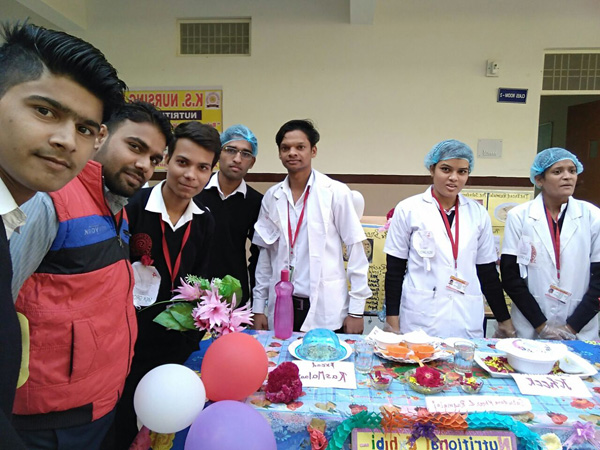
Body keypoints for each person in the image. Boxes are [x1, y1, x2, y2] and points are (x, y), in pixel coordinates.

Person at [9, 100, 172, 449]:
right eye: (135, 147)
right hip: (49, 422)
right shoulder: (49, 201)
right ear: (101, 137)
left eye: (154, 158)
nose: (144, 165)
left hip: (100, 405)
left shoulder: (116, 208)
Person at [0, 22, 126, 448]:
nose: (65, 140)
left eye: (84, 128)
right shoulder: (49, 206)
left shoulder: (13, 215)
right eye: (45, 111)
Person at [115, 121, 220, 449]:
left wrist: (190, 339)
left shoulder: (204, 220)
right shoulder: (132, 207)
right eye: (183, 162)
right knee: (121, 424)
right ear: (166, 160)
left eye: (202, 168)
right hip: (128, 342)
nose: (191, 175)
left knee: (165, 432)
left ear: (211, 172)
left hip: (176, 344)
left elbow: (200, 282)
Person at [384, 139, 515, 339]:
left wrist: (504, 320)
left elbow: (487, 272)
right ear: (432, 169)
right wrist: (392, 322)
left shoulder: (478, 213)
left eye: (462, 171)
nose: (454, 178)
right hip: (421, 315)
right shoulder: (409, 209)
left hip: (466, 315)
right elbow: (395, 270)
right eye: (446, 169)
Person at [252, 119, 371, 334]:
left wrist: (356, 311)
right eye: (285, 148)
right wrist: (259, 307)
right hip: (283, 304)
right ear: (279, 153)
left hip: (325, 306)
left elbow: (356, 250)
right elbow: (265, 256)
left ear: (313, 151)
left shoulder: (335, 192)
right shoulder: (272, 197)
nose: (292, 153)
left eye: (300, 147)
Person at [501, 148, 600, 340]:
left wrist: (571, 328)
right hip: (530, 327)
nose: (567, 177)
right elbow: (510, 276)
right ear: (539, 180)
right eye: (557, 171)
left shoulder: (593, 216)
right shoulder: (519, 216)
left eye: (572, 171)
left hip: (580, 328)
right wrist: (541, 326)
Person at [197, 124, 263, 306]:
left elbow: (259, 256)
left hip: (235, 295)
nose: (237, 159)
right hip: (193, 289)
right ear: (219, 153)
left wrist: (257, 301)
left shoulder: (256, 202)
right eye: (231, 150)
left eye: (245, 154)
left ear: (252, 162)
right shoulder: (195, 192)